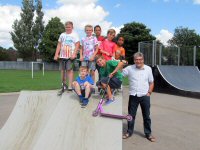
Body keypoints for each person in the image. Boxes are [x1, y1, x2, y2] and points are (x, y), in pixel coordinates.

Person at [122, 52, 156, 142]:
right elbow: (120, 74)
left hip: (145, 96)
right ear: (134, 60)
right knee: (130, 115)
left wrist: (149, 93)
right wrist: (119, 63)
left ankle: (148, 133)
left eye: (140, 59)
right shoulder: (129, 68)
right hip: (133, 95)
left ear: (143, 60)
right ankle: (129, 132)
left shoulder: (148, 69)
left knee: (146, 116)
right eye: (136, 59)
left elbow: (151, 82)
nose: (138, 61)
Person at [54, 21, 80, 94]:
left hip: (70, 56)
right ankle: (63, 85)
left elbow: (77, 45)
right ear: (65, 27)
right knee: (62, 70)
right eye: (66, 27)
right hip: (62, 56)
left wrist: (74, 54)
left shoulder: (75, 35)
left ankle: (70, 86)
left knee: (69, 70)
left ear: (72, 27)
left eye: (69, 27)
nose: (68, 28)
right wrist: (56, 54)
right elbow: (59, 45)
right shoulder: (62, 35)